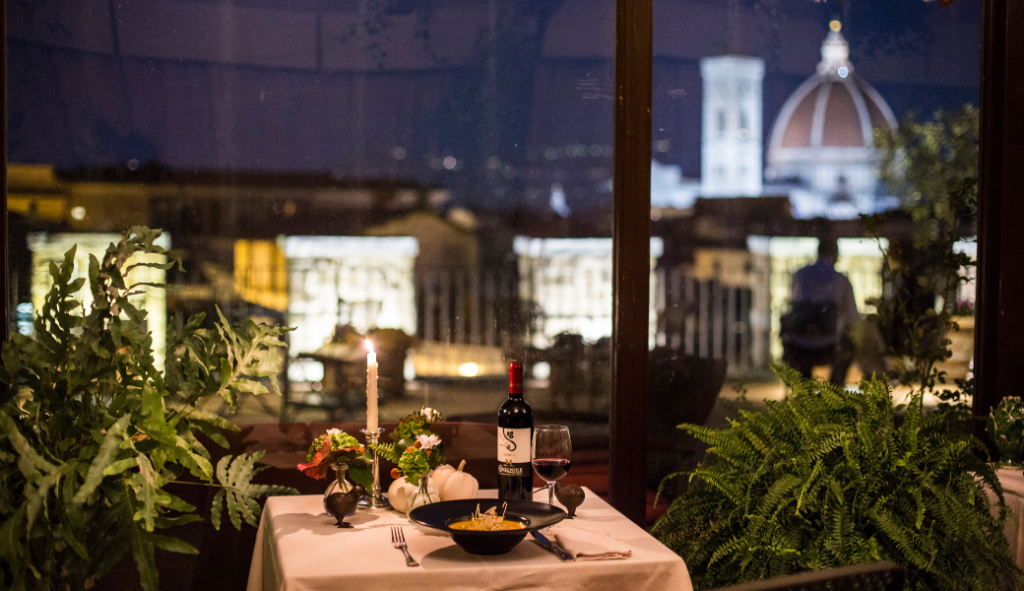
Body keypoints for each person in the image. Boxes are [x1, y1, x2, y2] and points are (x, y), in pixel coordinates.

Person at [781, 237, 859, 386]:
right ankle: (835, 393)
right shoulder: (840, 279)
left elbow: (793, 305)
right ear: (835, 254)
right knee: (850, 347)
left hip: (798, 345)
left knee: (803, 362)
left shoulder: (799, 275)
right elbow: (852, 317)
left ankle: (805, 392)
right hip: (829, 347)